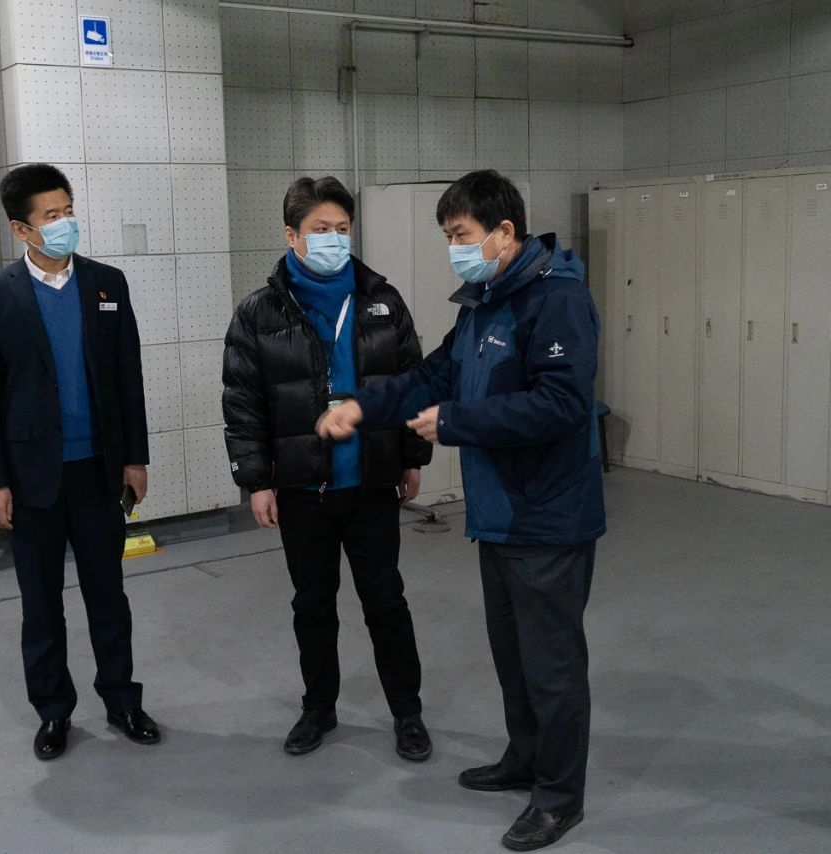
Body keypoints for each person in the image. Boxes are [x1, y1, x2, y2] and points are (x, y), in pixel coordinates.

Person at [317, 170, 604, 851]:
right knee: (514, 656)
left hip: (548, 516)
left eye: (461, 235)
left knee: (552, 666)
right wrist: (362, 406)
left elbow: (563, 405)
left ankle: (559, 796)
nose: (455, 249)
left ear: (505, 232)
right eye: (448, 237)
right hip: (500, 514)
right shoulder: (484, 302)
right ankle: (524, 758)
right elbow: (431, 376)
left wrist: (456, 422)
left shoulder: (557, 301)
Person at [222, 175, 435, 761]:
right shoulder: (259, 313)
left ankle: (408, 712)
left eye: (343, 229)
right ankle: (318, 707)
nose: (335, 239)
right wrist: (256, 481)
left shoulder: (382, 301)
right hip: (301, 488)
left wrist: (412, 456)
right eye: (321, 229)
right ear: (292, 235)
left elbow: (412, 380)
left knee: (385, 601)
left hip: (371, 480)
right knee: (313, 605)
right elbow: (243, 403)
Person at [0, 163, 160, 760]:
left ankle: (123, 700)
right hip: (31, 480)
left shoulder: (107, 284)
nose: (65, 223)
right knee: (41, 602)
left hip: (99, 469)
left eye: (68, 210)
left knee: (108, 595)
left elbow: (128, 377)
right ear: (21, 229)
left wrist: (135, 458)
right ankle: (54, 711)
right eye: (51, 216)